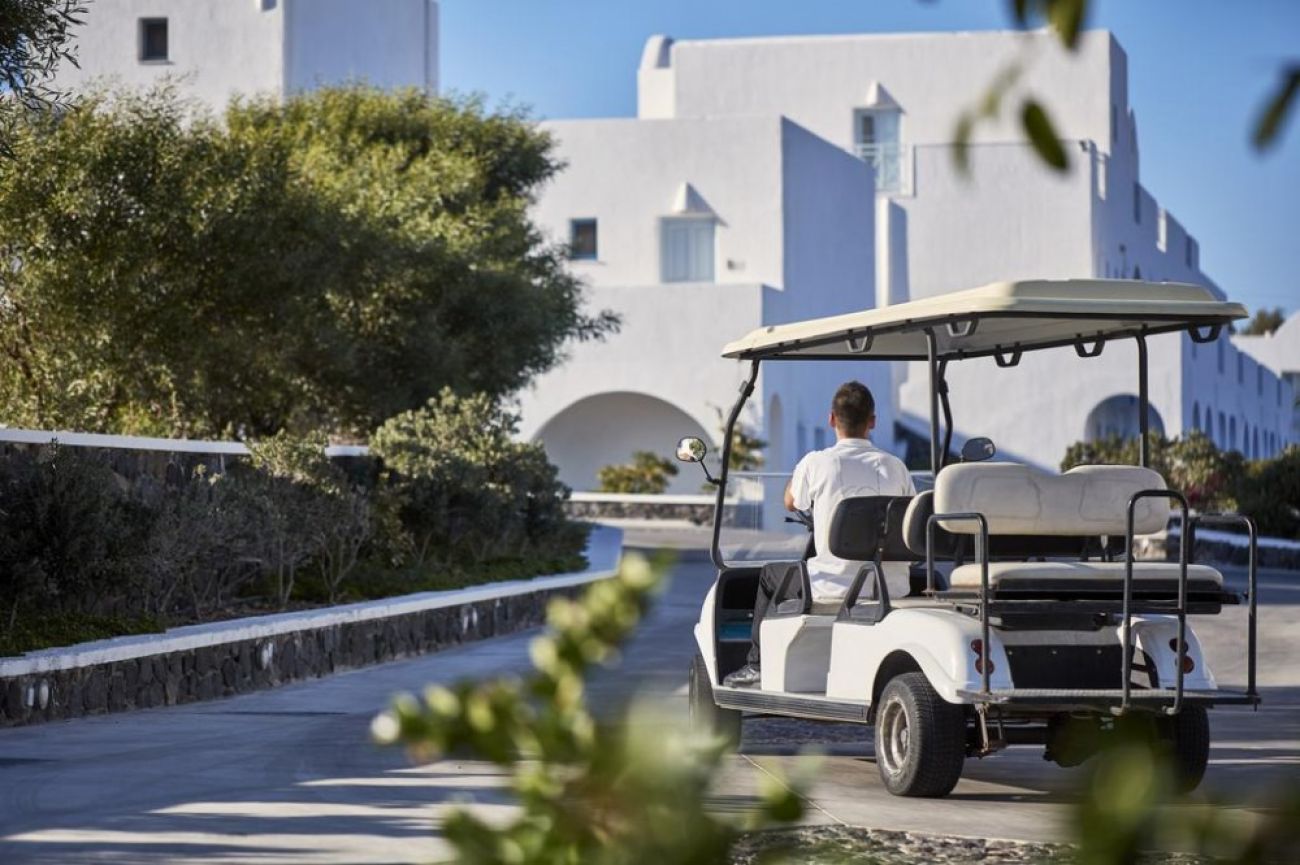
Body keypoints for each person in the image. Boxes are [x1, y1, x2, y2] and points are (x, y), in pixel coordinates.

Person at [723, 381, 915, 688]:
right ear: (872, 422)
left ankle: (757, 665)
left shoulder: (816, 462)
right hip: (890, 586)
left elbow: (790, 501)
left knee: (770, 576)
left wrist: (802, 480)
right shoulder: (896, 467)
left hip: (832, 585)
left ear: (831, 419)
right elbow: (909, 515)